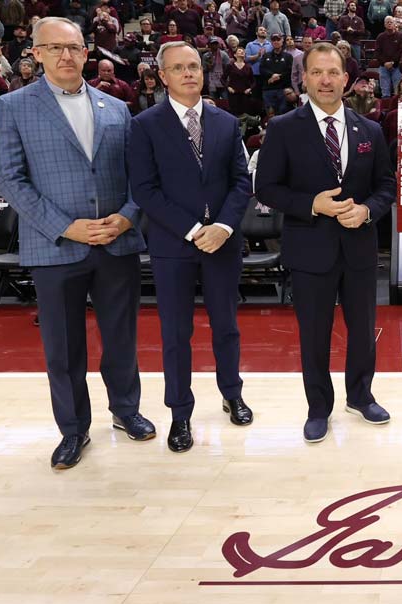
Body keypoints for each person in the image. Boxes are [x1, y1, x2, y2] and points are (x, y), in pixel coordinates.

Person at [0, 17, 156, 470]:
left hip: (115, 242)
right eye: (55, 47)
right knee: (63, 348)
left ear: (88, 53)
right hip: (56, 245)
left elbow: (138, 176)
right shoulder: (12, 106)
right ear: (36, 53)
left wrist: (126, 217)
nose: (66, 55)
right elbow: (9, 178)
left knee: (121, 337)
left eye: (74, 47)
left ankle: (126, 411)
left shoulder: (115, 107)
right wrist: (67, 226)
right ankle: (73, 430)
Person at [255, 42, 396, 443]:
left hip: (359, 249)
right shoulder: (283, 128)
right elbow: (266, 187)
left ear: (346, 80)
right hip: (309, 248)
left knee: (363, 329)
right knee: (314, 333)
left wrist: (367, 210)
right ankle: (319, 407)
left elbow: (386, 185)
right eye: (317, 72)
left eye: (333, 72)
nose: (325, 80)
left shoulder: (368, 129)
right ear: (304, 78)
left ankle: (361, 396)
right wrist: (311, 205)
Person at [128, 42, 255, 453]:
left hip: (223, 242)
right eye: (178, 68)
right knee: (176, 334)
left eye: (194, 67)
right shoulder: (145, 124)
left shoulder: (225, 121)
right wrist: (192, 229)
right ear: (161, 76)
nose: (188, 74)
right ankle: (180, 413)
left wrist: (221, 226)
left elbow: (241, 182)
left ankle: (232, 393)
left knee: (227, 326)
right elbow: (144, 190)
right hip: (172, 245)